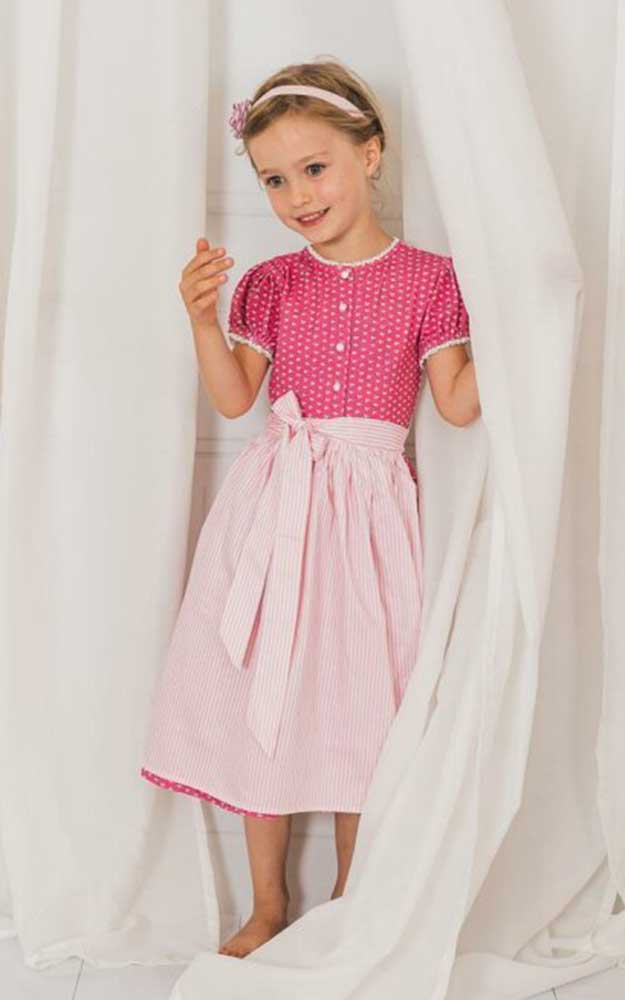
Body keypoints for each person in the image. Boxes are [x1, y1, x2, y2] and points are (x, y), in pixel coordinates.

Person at [140, 59, 481, 960]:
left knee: (364, 706)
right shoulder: (271, 282)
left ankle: (347, 903)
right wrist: (201, 319)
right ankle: (266, 905)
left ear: (371, 154)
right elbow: (233, 398)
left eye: (315, 167)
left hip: (367, 522)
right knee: (268, 692)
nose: (297, 195)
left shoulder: (431, 279)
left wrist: (527, 322)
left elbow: (456, 403)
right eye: (274, 180)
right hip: (273, 508)